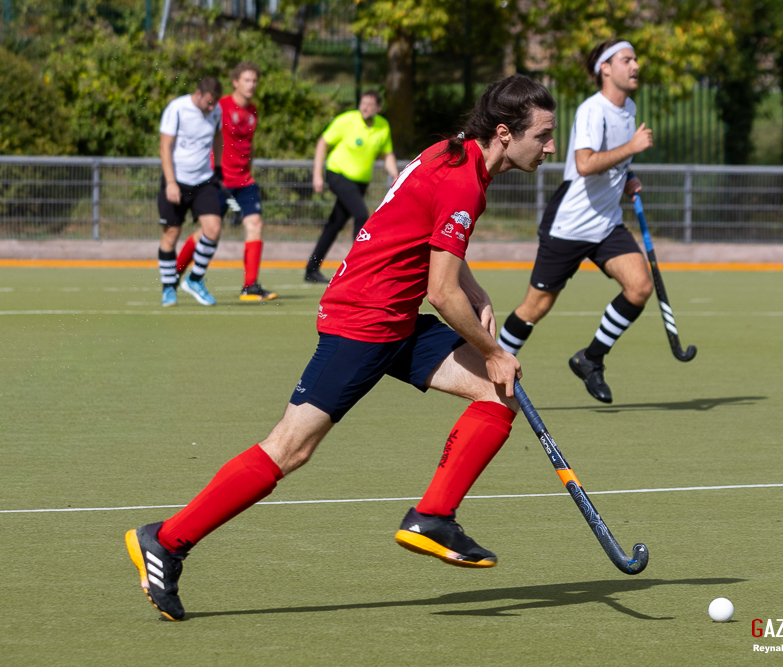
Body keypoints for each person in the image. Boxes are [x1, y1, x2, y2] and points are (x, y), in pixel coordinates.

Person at [126, 75, 558, 621]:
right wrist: (493, 348)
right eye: (543, 135)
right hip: (365, 320)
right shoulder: (463, 181)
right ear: (504, 133)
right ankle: (166, 540)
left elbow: (427, 244)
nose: (549, 147)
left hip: (394, 317)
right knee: (290, 449)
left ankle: (433, 517)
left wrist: (475, 289)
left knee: (500, 395)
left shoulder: (455, 155)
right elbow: (439, 291)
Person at [497, 39, 654, 404]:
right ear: (605, 68)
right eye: (627, 60)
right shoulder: (591, 110)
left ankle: (590, 359)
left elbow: (612, 157)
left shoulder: (627, 108)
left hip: (607, 222)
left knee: (639, 287)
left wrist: (627, 174)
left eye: (635, 59)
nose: (635, 66)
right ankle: (489, 366)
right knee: (536, 307)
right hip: (571, 222)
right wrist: (631, 148)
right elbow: (584, 163)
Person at [174, 62, 278, 301]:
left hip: (244, 181)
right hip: (218, 180)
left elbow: (249, 146)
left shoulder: (252, 111)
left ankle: (250, 287)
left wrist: (248, 171)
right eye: (247, 80)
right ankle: (175, 274)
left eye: (254, 81)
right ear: (235, 82)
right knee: (205, 233)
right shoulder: (220, 106)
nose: (251, 85)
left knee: (255, 225)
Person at [305, 90, 399, 283]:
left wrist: (396, 175)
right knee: (361, 215)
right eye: (362, 103)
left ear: (378, 108)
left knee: (334, 225)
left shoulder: (383, 126)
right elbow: (323, 142)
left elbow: (387, 154)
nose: (365, 107)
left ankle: (311, 269)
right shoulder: (346, 120)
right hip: (337, 174)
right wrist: (317, 175)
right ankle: (359, 269)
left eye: (370, 105)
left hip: (360, 183)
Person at [157, 77, 225, 307]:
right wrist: (170, 182)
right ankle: (168, 287)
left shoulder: (216, 111)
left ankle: (195, 279)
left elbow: (218, 137)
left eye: (214, 102)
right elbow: (165, 147)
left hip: (203, 181)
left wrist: (217, 169)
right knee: (171, 234)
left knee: (213, 229)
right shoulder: (177, 109)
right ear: (197, 94)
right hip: (176, 180)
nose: (211, 107)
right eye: (208, 102)